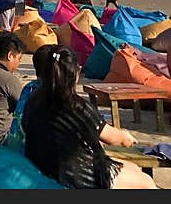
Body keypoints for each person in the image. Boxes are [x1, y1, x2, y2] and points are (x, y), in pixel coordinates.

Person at [23, 45, 157, 189]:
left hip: (42, 167)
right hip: (78, 175)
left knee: (133, 168)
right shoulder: (78, 107)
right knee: (146, 182)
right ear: (76, 73)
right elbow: (113, 138)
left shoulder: (33, 100)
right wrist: (125, 136)